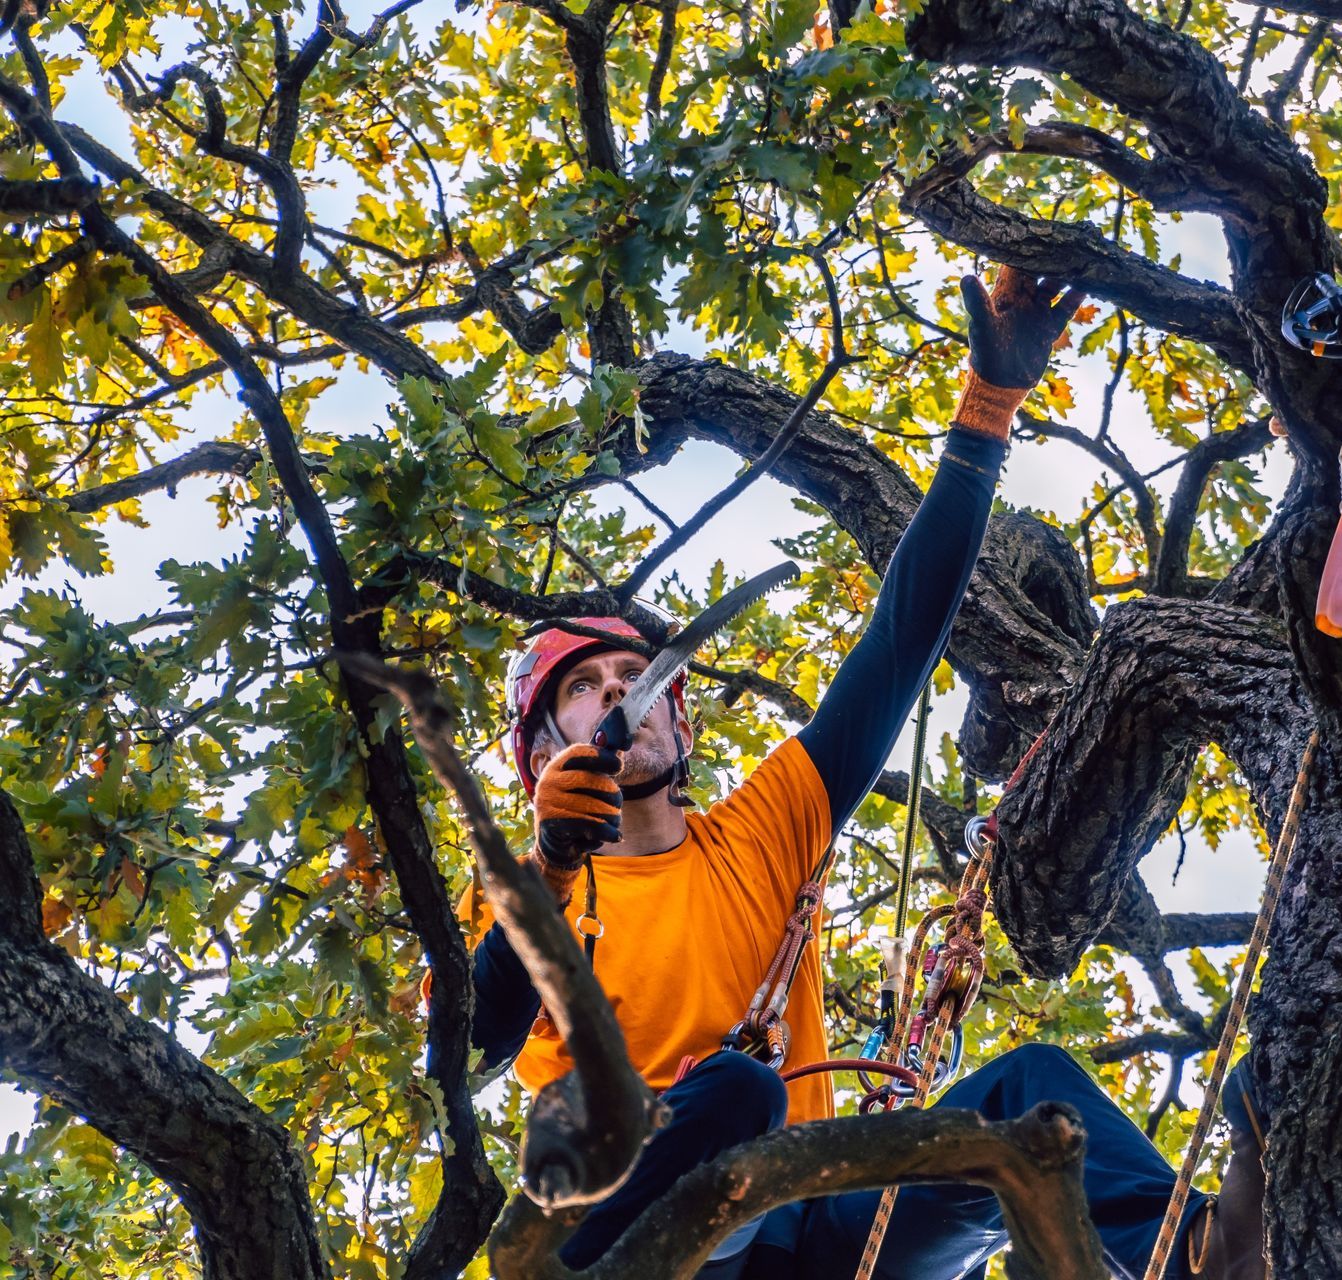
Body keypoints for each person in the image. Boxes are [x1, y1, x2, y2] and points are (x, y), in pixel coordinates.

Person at [436, 267, 1263, 1279]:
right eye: (585, 687)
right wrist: (553, 867)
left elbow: (900, 641)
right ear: (539, 748)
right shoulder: (507, 899)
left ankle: (1202, 1261)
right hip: (627, 1232)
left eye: (631, 674)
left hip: (807, 1221)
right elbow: (471, 1047)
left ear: (681, 722)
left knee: (1028, 1093)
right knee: (736, 1090)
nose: (619, 694)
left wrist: (987, 409)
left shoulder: (764, 825)